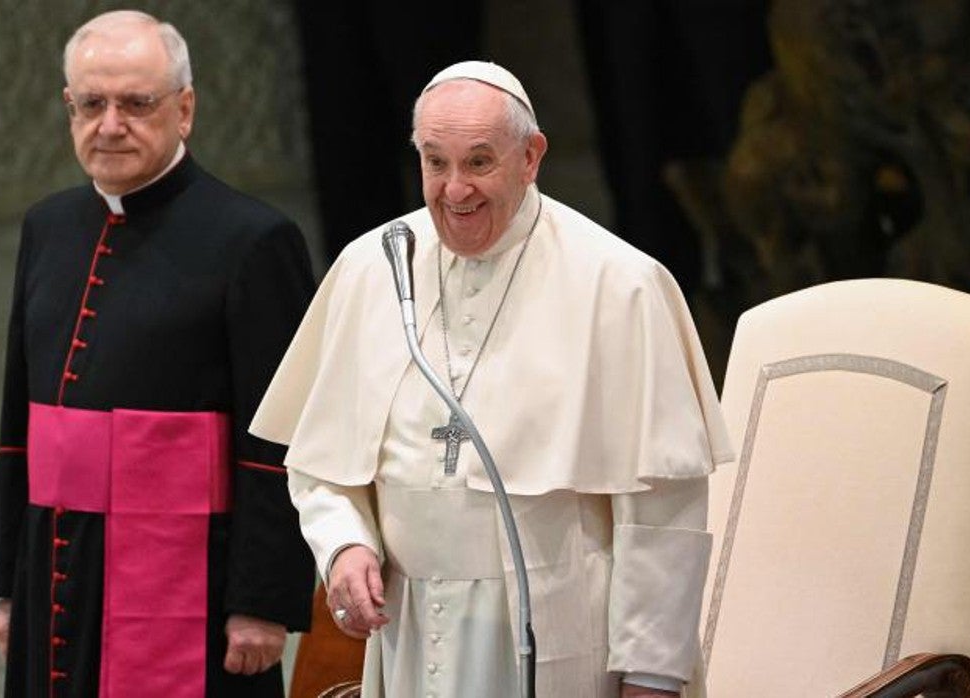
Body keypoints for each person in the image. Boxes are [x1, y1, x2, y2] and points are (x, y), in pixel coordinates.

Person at [251, 61, 734, 697]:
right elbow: (321, 462)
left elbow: (665, 509)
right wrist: (343, 545)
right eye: (435, 162)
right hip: (412, 631)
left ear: (531, 156)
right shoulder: (375, 267)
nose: (455, 191)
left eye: (479, 162)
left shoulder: (619, 285)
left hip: (561, 633)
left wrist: (651, 673)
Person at [0, 11, 315, 698]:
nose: (110, 124)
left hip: (192, 577)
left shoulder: (254, 241)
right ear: (67, 106)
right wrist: (6, 587)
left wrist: (261, 600)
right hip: (54, 564)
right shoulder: (47, 227)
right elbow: (19, 429)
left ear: (185, 108)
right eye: (91, 104)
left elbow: (280, 439)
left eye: (137, 103)